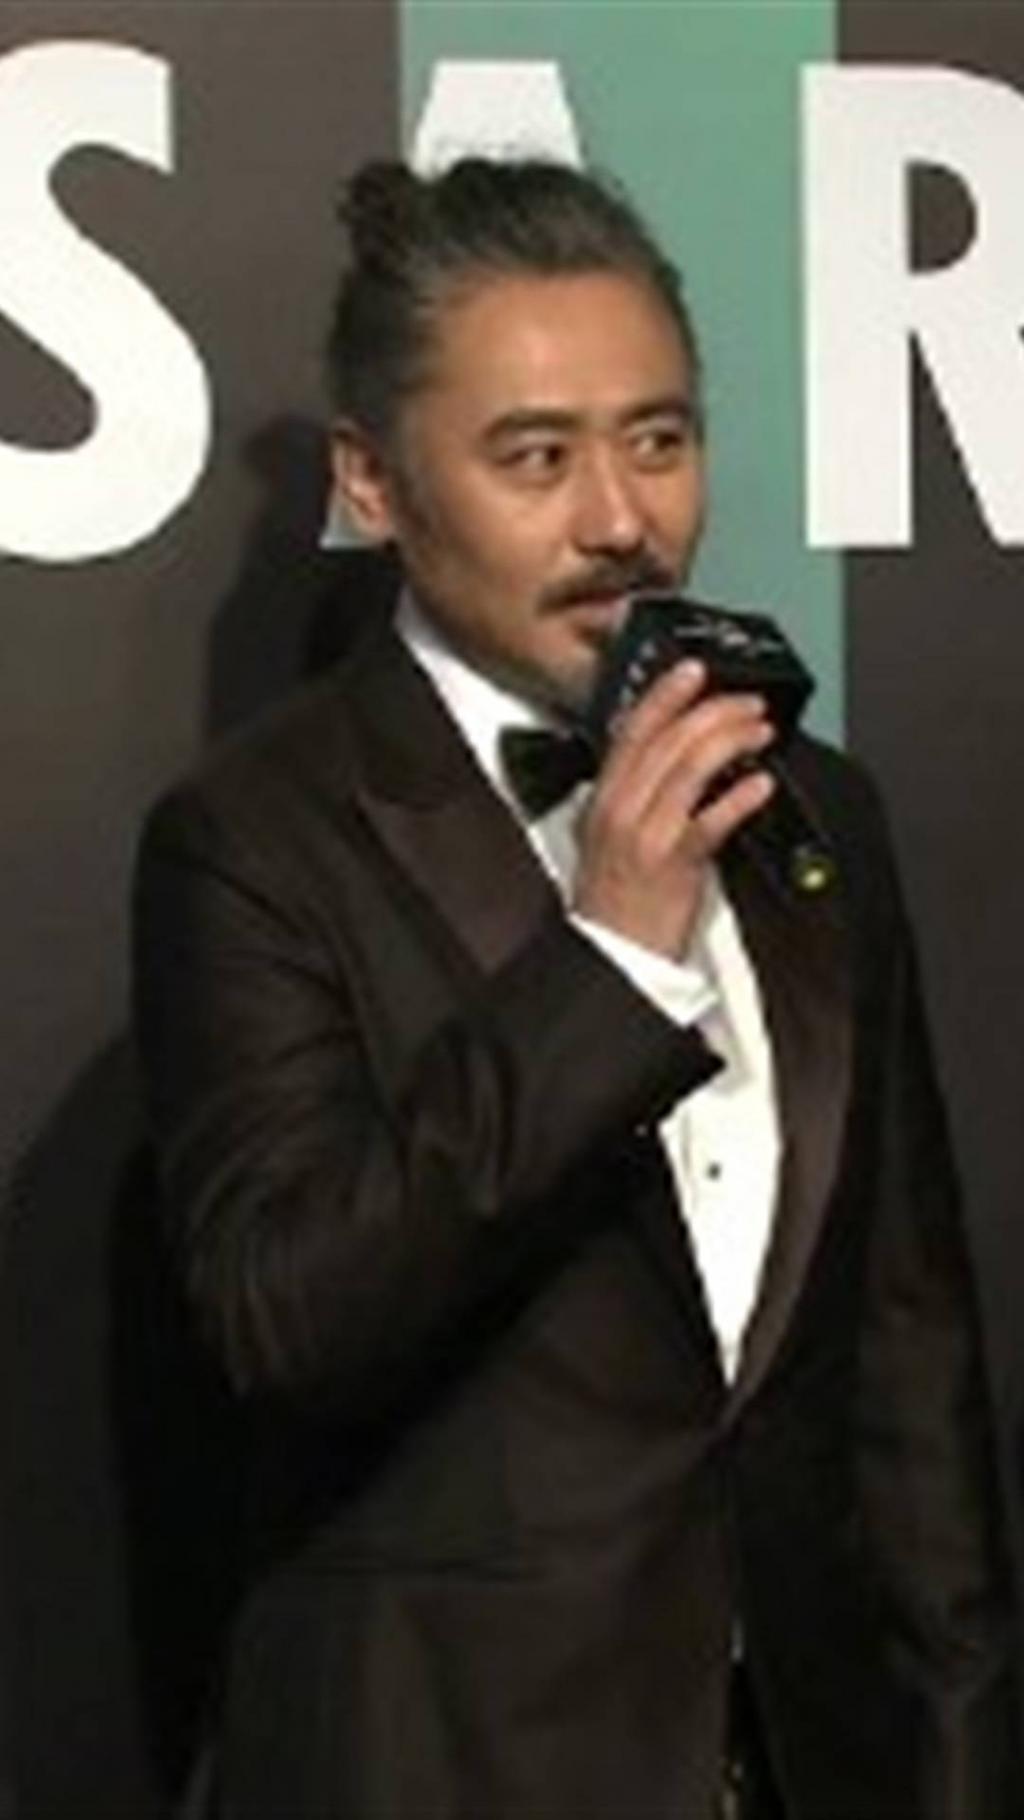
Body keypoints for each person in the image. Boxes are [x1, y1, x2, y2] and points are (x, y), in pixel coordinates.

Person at [133, 156, 1020, 1819]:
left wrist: (961, 1766)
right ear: (375, 482)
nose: (621, 520)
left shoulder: (818, 808)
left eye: (659, 440)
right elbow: (286, 1316)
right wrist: (609, 958)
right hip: (445, 1769)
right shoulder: (253, 841)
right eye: (536, 457)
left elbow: (912, 1374)